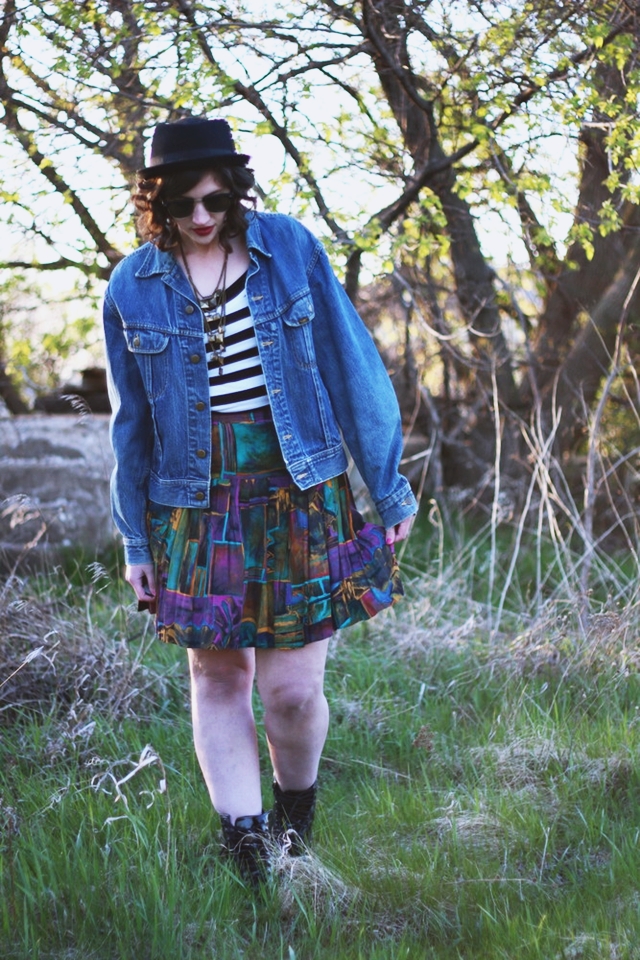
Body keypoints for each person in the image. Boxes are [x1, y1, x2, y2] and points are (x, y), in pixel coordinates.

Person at [103, 116, 417, 885]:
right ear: (156, 204)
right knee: (217, 677)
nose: (202, 218)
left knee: (290, 690)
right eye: (182, 206)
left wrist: (387, 483)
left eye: (215, 200)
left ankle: (295, 817)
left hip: (298, 490)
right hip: (192, 503)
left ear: (237, 189)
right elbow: (130, 425)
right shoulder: (131, 286)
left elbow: (352, 365)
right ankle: (245, 850)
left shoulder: (288, 249)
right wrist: (134, 541)